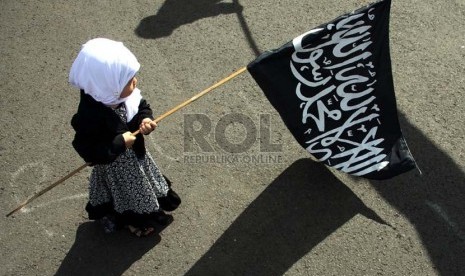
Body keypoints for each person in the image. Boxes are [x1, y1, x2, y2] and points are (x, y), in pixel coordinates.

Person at [69, 38, 181, 237]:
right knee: (127, 197)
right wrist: (119, 143)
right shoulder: (90, 115)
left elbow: (142, 106)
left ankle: (150, 208)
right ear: (108, 85)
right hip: (116, 171)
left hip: (137, 158)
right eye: (129, 81)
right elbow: (86, 149)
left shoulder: (121, 97)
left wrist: (145, 119)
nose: (135, 82)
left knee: (143, 186)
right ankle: (132, 222)